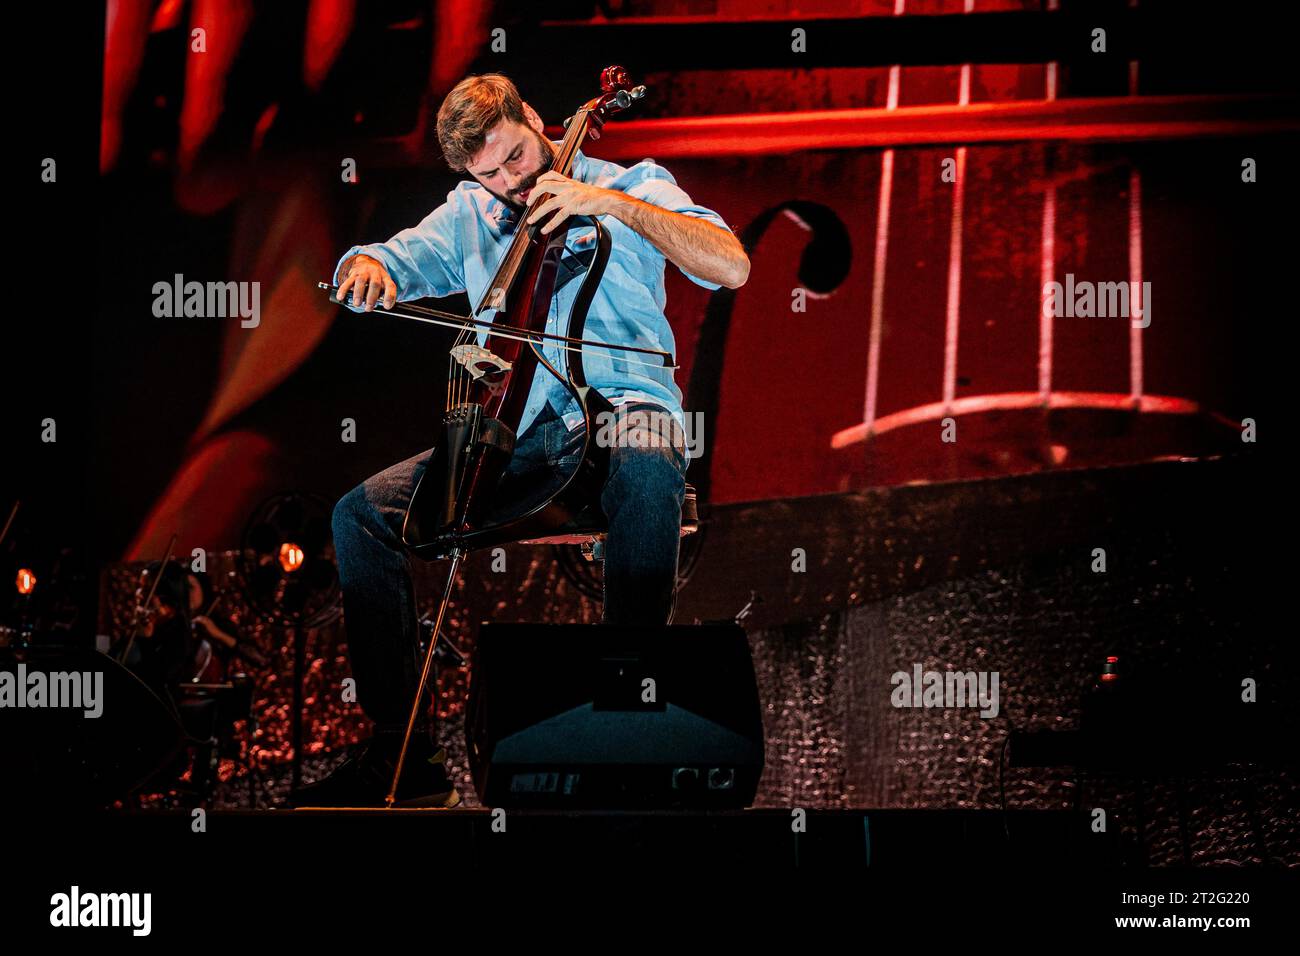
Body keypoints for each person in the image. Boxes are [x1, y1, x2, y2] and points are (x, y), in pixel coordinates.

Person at [289, 73, 749, 808]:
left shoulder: (631, 182)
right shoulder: (473, 211)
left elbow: (730, 263)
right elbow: (392, 257)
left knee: (645, 456)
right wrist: (367, 268)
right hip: (523, 437)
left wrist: (609, 204)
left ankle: (632, 703)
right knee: (360, 516)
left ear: (534, 120)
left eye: (514, 158)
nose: (509, 182)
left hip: (623, 409)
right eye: (488, 173)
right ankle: (401, 753)